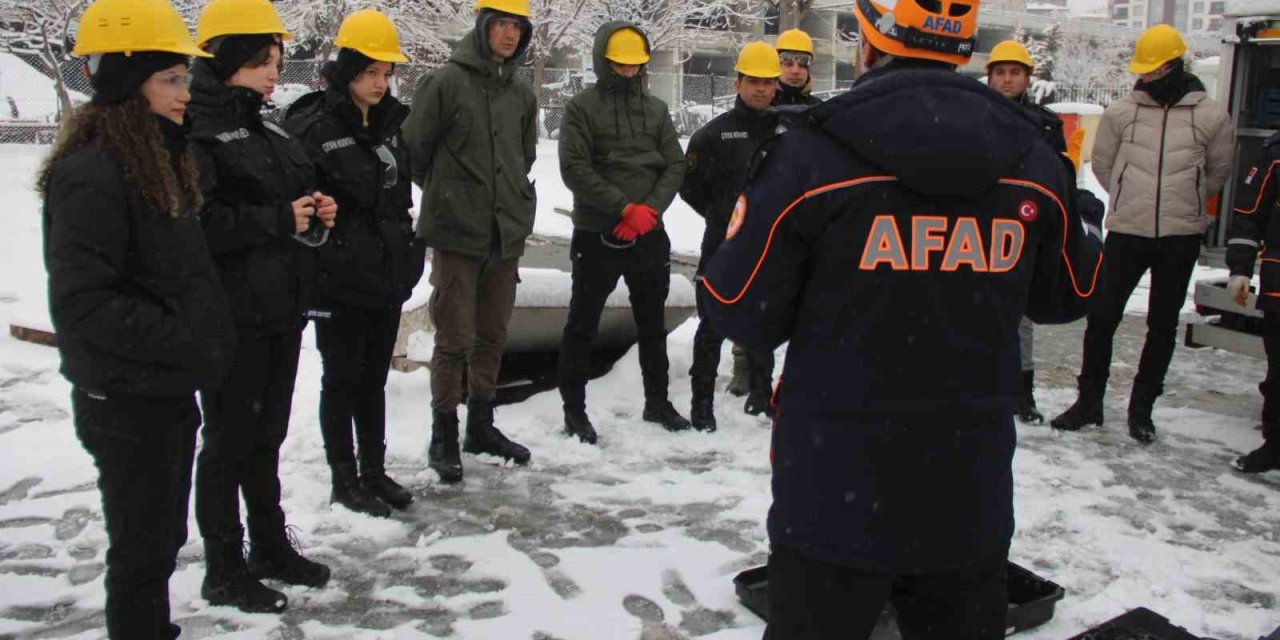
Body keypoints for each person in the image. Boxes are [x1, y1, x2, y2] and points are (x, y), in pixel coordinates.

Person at [697, 0, 1105, 633]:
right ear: (966, 51)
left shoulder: (810, 153)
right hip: (965, 494)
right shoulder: (1033, 156)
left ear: (867, 47)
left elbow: (738, 309)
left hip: (834, 491)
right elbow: (1068, 294)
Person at [40, 1, 235, 636]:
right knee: (142, 549)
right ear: (129, 83)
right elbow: (84, 302)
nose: (186, 92)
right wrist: (187, 339)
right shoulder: (93, 171)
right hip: (126, 396)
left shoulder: (154, 157)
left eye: (184, 77)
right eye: (170, 79)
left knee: (157, 542)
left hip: (162, 387)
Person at [188, 0, 334, 613]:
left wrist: (315, 213)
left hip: (279, 306)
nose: (274, 72)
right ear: (225, 61)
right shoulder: (196, 127)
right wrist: (279, 217)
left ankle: (269, 545)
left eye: (275, 60)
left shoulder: (264, 125)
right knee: (228, 440)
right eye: (260, 61)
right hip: (230, 314)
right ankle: (223, 565)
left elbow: (290, 201)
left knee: (266, 435)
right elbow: (197, 224)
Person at [1051, 24, 1232, 443]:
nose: (1148, 77)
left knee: (1162, 326)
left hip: (1180, 235)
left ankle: (1141, 411)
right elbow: (1105, 166)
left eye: (1155, 70)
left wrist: (1185, 197)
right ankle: (1089, 403)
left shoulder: (1209, 114)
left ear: (1174, 64)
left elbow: (1218, 171)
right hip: (1128, 231)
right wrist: (1133, 193)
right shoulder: (1121, 112)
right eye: (1144, 71)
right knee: (1101, 319)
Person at [284, 10, 425, 516]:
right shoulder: (315, 127)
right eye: (370, 73)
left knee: (372, 378)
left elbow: (399, 201)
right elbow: (303, 208)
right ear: (346, 71)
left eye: (387, 74)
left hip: (385, 277)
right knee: (341, 379)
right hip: (337, 281)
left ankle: (374, 470)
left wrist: (410, 256)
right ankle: (343, 477)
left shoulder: (392, 125)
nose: (381, 84)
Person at [404, 0, 537, 482]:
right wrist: (452, 197)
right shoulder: (444, 83)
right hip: (458, 234)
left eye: (517, 27)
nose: (509, 35)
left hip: (505, 233)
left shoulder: (521, 92)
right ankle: (444, 431)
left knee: (492, 334)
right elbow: (414, 153)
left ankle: (481, 425)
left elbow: (524, 155)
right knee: (454, 337)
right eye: (501, 24)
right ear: (483, 27)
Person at [556, 22, 690, 443]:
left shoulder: (655, 110)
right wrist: (623, 207)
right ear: (604, 62)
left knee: (653, 324)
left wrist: (649, 209)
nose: (628, 73)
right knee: (582, 324)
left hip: (649, 232)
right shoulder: (580, 108)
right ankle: (574, 412)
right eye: (620, 66)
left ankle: (658, 402)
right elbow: (575, 168)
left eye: (635, 66)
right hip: (598, 232)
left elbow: (675, 163)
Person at [680, 42, 782, 431]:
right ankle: (701, 406)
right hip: (722, 245)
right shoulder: (713, 135)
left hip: (770, 246)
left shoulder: (785, 132)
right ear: (737, 81)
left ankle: (761, 397)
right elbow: (689, 188)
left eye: (767, 82)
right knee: (711, 326)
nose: (761, 89)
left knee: (763, 324)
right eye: (753, 81)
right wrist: (723, 217)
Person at [986, 40, 1062, 425]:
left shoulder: (1046, 125)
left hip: (1027, 225)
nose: (1006, 79)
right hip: (984, 225)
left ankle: (1022, 392)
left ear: (1027, 78)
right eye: (1000, 72)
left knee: (1022, 318)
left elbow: (1061, 178)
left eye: (1014, 72)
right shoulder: (975, 117)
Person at [1225, 138, 1280, 473]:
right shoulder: (1275, 154)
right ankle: (1275, 446)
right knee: (1278, 376)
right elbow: (1248, 213)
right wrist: (1240, 269)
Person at [774, 28, 822, 108]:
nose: (795, 71)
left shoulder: (818, 109)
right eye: (788, 63)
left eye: (802, 64)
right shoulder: (762, 107)